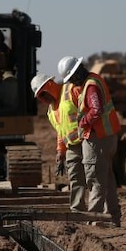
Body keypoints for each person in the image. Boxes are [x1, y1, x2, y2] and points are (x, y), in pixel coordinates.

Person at [58, 56, 122, 226]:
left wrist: (83, 122)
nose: (72, 82)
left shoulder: (90, 85)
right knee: (107, 178)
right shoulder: (95, 79)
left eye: (72, 78)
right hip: (107, 137)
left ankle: (95, 220)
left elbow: (96, 109)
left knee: (95, 180)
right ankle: (113, 218)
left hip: (98, 139)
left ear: (77, 73)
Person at [30, 73, 86, 212]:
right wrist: (60, 152)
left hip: (88, 141)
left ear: (50, 85)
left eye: (43, 94)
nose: (43, 99)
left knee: (95, 177)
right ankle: (78, 211)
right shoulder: (51, 111)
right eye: (40, 97)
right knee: (75, 178)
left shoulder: (71, 89)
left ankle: (103, 212)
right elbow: (61, 132)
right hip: (72, 147)